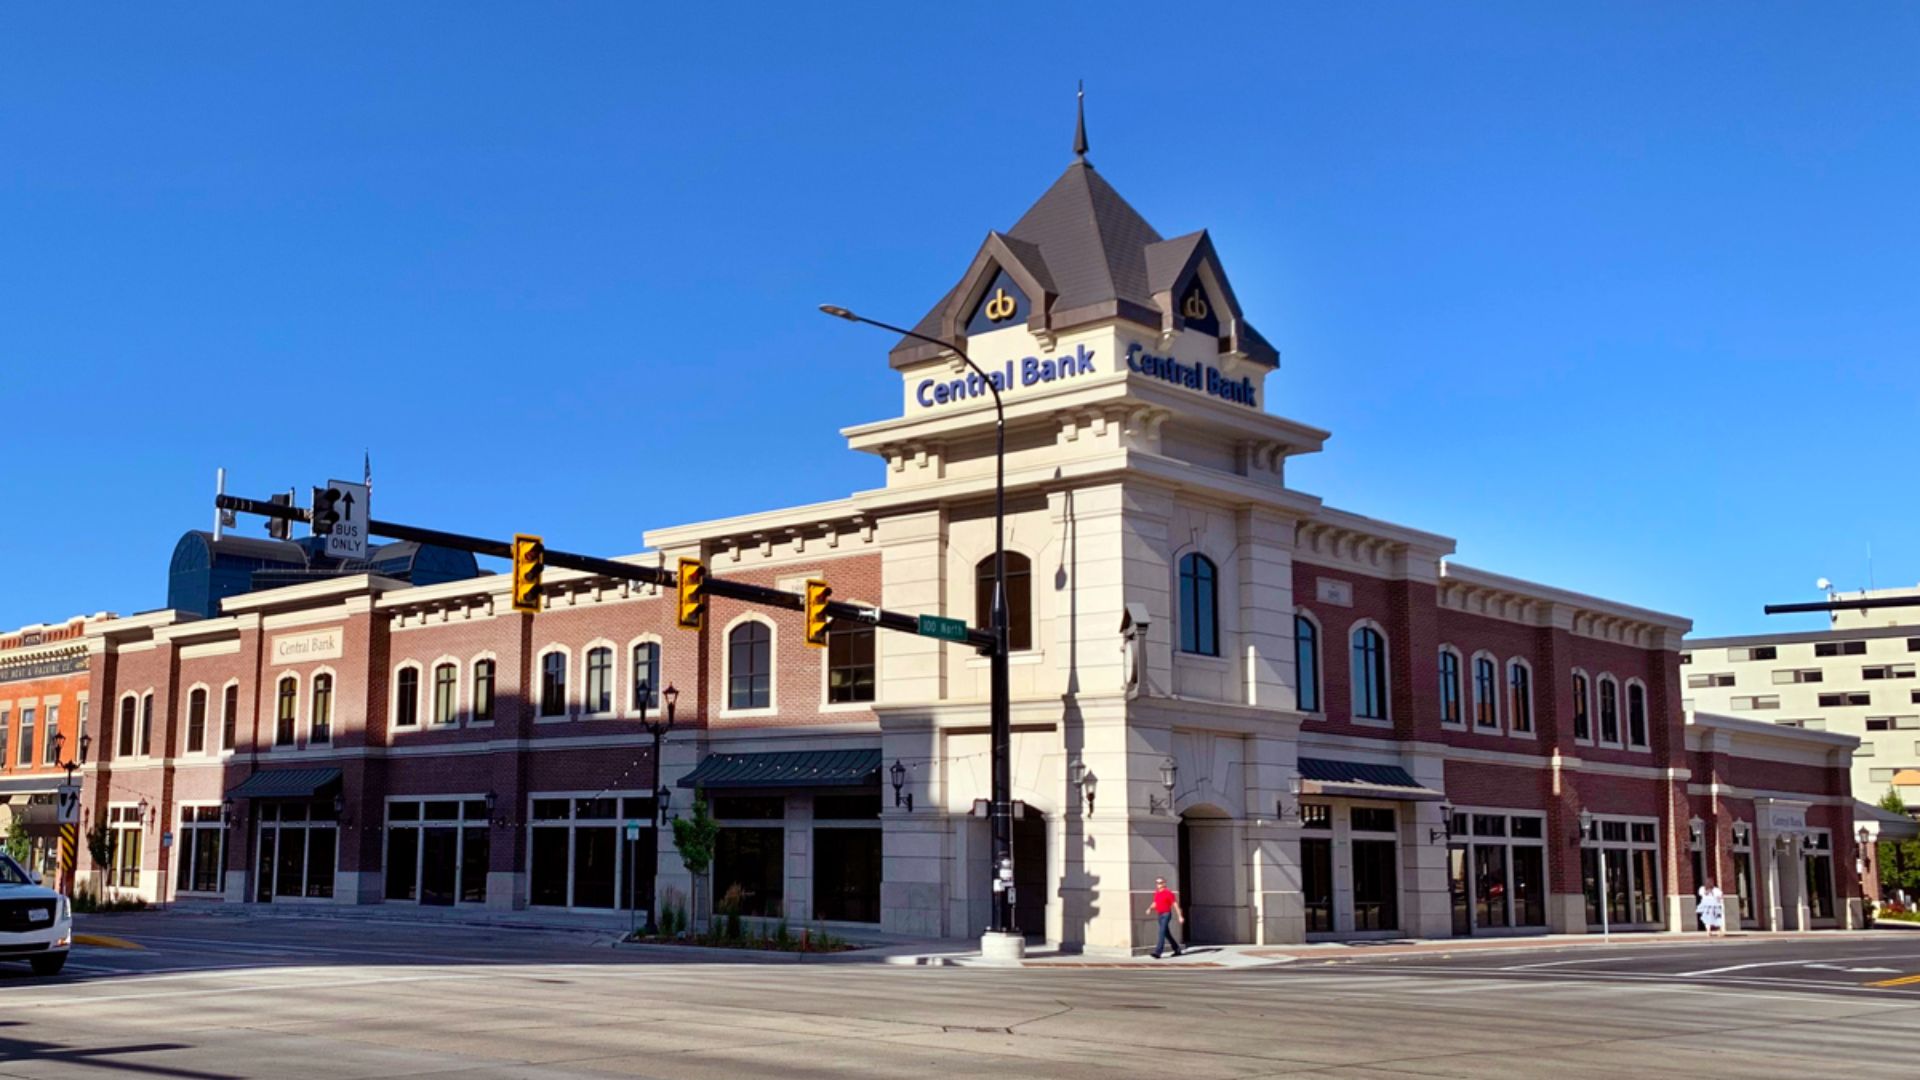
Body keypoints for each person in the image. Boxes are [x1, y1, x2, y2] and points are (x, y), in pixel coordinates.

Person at [1145, 876, 1184, 958]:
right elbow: (1155, 903)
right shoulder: (1156, 893)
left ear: (1164, 884)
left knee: (1161, 932)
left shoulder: (1168, 893)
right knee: (1166, 934)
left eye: (1160, 883)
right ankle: (1177, 949)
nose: (1158, 884)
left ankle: (1158, 952)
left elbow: (1175, 905)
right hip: (1160, 914)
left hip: (1166, 914)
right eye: (1157, 883)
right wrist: (1149, 908)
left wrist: (1180, 916)